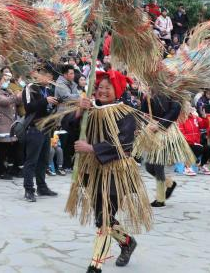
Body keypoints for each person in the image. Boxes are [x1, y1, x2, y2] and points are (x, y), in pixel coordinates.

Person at [63, 70, 148, 271]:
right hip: (93, 172)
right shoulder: (91, 109)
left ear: (117, 90)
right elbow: (71, 128)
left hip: (116, 172)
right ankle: (127, 242)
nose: (102, 91)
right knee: (102, 217)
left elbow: (123, 142)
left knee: (105, 217)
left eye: (107, 88)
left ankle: (95, 266)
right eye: (100, 87)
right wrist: (78, 112)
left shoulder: (125, 112)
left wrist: (92, 148)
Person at [136, 91, 191, 207]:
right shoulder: (151, 91)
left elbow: (174, 111)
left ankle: (160, 199)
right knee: (149, 167)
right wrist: (146, 99)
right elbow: (145, 111)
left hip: (167, 131)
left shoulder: (173, 92)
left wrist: (160, 125)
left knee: (158, 164)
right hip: (152, 129)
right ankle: (169, 184)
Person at [21, 61, 59, 203]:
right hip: (34, 128)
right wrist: (45, 100)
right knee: (31, 160)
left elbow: (49, 108)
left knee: (44, 160)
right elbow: (29, 107)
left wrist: (55, 104)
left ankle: (42, 187)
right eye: (46, 76)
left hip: (47, 128)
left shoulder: (49, 90)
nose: (48, 79)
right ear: (39, 75)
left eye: (50, 77)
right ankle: (29, 189)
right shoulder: (30, 88)